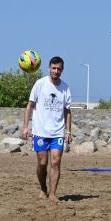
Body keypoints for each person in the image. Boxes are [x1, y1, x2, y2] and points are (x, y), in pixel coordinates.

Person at [22, 56, 72, 202]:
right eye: (54, 68)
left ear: (62, 70)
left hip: (57, 132)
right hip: (40, 132)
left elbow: (67, 111)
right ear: (49, 68)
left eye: (59, 69)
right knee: (42, 164)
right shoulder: (40, 84)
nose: (56, 71)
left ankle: (53, 194)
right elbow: (30, 105)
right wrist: (26, 126)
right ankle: (43, 188)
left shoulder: (65, 88)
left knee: (55, 162)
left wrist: (68, 131)